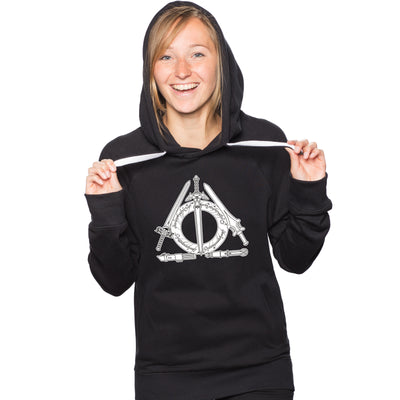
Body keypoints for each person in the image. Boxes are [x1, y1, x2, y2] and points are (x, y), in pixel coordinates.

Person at [84, 2, 332, 400]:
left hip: (259, 372)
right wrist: (106, 215)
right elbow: (114, 281)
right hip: (164, 376)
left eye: (197, 54)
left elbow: (296, 259)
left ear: (222, 62)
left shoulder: (264, 146)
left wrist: (308, 190)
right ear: (150, 70)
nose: (182, 71)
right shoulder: (124, 160)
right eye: (166, 57)